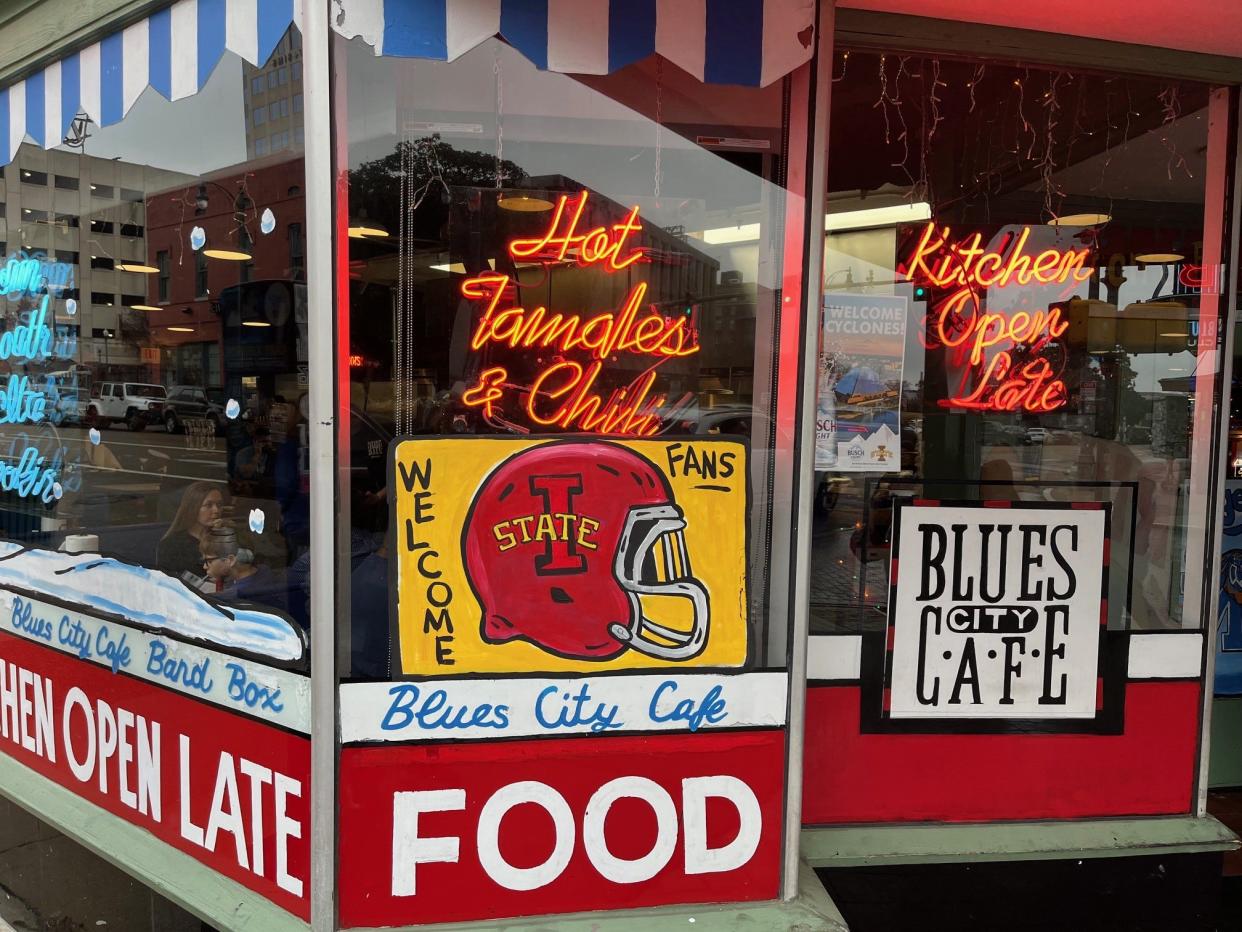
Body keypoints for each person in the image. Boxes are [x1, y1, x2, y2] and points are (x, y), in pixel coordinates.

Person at [200, 526, 288, 613]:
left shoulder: (232, 599)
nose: (205, 566)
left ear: (230, 560)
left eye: (208, 561)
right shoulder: (264, 570)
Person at [157, 482, 226, 580]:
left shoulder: (226, 536)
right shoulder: (171, 545)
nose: (216, 510)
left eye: (219, 505)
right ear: (193, 507)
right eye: (208, 505)